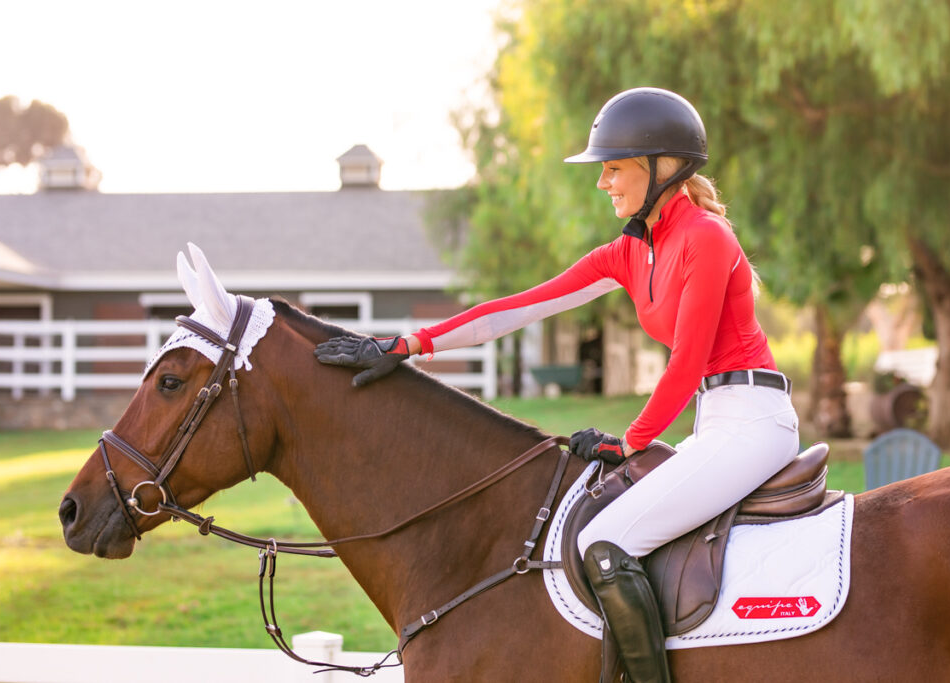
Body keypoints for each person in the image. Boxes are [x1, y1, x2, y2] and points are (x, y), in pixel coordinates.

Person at [315, 87, 800, 683]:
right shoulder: (632, 251)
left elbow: (687, 361)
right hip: (716, 421)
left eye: (614, 168)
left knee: (607, 540)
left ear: (662, 168)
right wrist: (411, 344)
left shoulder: (705, 237)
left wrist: (631, 441)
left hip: (753, 422)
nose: (603, 183)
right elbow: (520, 307)